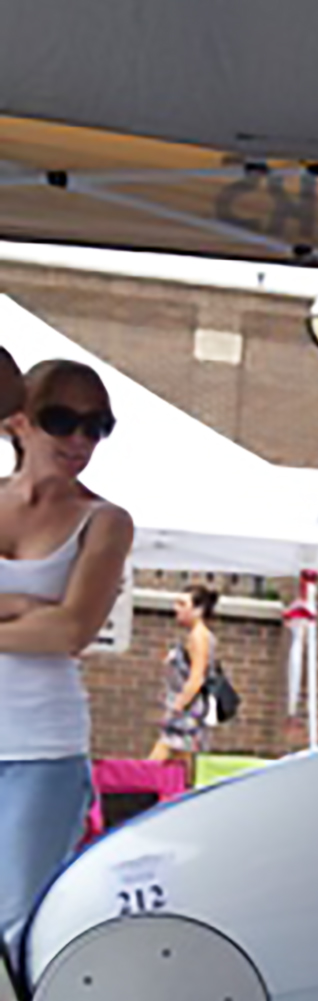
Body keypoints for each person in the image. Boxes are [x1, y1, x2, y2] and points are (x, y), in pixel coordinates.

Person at [0, 355, 134, 954]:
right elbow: (52, 624)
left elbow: (72, 631)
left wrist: (48, 619)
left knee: (13, 928)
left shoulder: (105, 521)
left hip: (41, 750)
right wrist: (26, 610)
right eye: (63, 419)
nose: (81, 439)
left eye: (97, 425)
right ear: (20, 423)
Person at [149, 582, 220, 763]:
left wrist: (179, 705)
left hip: (188, 713)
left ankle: (134, 790)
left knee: (157, 762)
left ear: (198, 610)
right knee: (182, 765)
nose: (176, 609)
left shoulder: (199, 636)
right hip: (188, 711)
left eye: (182, 604)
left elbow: (197, 676)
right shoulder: (195, 635)